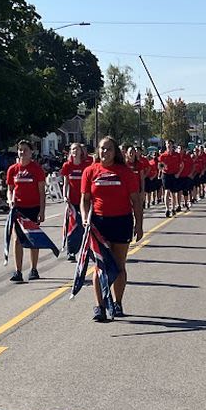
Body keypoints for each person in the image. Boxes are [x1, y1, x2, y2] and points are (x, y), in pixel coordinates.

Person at [80, 137, 144, 321]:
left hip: (122, 222)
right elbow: (84, 200)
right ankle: (99, 306)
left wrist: (139, 224)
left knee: (118, 265)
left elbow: (136, 201)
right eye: (101, 149)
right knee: (100, 266)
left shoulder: (125, 172)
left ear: (115, 152)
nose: (104, 152)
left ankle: (117, 303)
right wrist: (85, 218)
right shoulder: (90, 171)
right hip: (99, 223)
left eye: (108, 149)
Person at [5, 140, 46, 282]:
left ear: (31, 152)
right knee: (17, 240)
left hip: (33, 208)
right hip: (19, 209)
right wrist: (10, 200)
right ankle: (18, 271)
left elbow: (42, 192)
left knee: (33, 239)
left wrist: (42, 211)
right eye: (20, 150)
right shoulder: (13, 170)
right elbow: (10, 190)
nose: (22, 152)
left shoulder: (36, 169)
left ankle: (34, 269)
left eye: (25, 150)